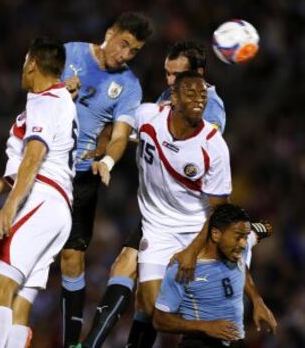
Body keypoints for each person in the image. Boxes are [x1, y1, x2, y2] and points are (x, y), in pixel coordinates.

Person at [78, 43, 268, 348]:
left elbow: (192, 147)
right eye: (167, 73)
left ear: (199, 75)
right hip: (159, 212)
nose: (169, 80)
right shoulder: (163, 103)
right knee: (130, 276)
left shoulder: (209, 109)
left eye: (176, 74)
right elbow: (134, 130)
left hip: (192, 214)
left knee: (148, 291)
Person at [0, 37, 77, 348]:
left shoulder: (46, 102)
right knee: (20, 302)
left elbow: (34, 157)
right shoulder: (57, 99)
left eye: (24, 62)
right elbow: (22, 166)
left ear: (32, 63)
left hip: (40, 199)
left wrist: (9, 206)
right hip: (58, 206)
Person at [59, 12, 153, 348]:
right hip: (45, 166)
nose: (126, 54)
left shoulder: (129, 87)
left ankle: (71, 343)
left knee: (72, 257)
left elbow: (120, 135)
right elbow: (31, 85)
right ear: (109, 33)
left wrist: (109, 160)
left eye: (134, 51)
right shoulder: (69, 54)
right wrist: (58, 89)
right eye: (124, 44)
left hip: (83, 175)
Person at [153, 203, 277, 348]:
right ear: (216, 234)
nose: (243, 244)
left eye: (245, 238)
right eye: (238, 238)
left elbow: (266, 227)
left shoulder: (237, 247)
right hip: (199, 343)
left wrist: (257, 301)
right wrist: (205, 326)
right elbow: (160, 320)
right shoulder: (184, 268)